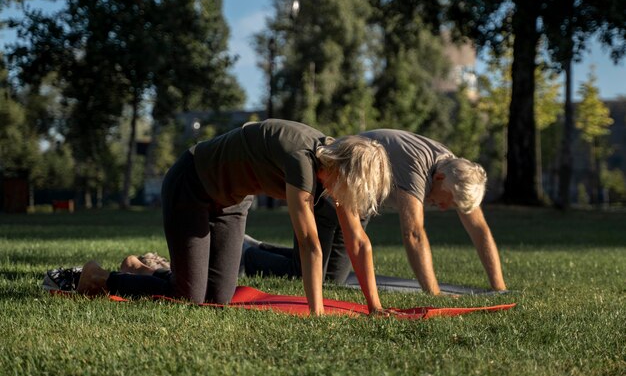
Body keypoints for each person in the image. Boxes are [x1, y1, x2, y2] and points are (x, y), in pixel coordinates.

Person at [76, 119, 392, 315]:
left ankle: (139, 269)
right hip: (192, 185)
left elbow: (359, 243)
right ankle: (99, 278)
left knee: (216, 297)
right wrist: (317, 313)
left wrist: (375, 308)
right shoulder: (303, 162)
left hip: (232, 204)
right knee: (188, 297)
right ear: (343, 171)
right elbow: (309, 244)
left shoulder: (335, 166)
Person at [243, 129, 507, 295]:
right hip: (335, 183)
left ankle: (261, 248)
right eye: (447, 201)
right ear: (438, 179)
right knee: (307, 273)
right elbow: (413, 233)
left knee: (333, 278)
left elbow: (479, 228)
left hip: (362, 198)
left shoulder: (456, 171)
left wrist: (499, 287)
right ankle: (249, 255)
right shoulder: (417, 169)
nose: (445, 208)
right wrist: (433, 294)